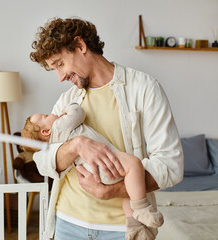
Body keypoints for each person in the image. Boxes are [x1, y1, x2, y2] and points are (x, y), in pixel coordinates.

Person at [29, 17, 184, 240]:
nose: (60, 76)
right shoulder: (68, 100)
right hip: (68, 222)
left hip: (122, 228)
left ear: (80, 46)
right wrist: (76, 146)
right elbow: (43, 162)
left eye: (60, 64)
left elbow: (171, 165)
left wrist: (111, 190)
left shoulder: (143, 88)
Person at [21, 102, 164, 239]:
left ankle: (134, 226)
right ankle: (141, 207)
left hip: (94, 173)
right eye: (46, 116)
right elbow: (78, 113)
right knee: (134, 164)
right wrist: (69, 108)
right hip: (105, 164)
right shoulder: (59, 125)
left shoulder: (55, 143)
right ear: (46, 131)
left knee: (128, 192)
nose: (51, 114)